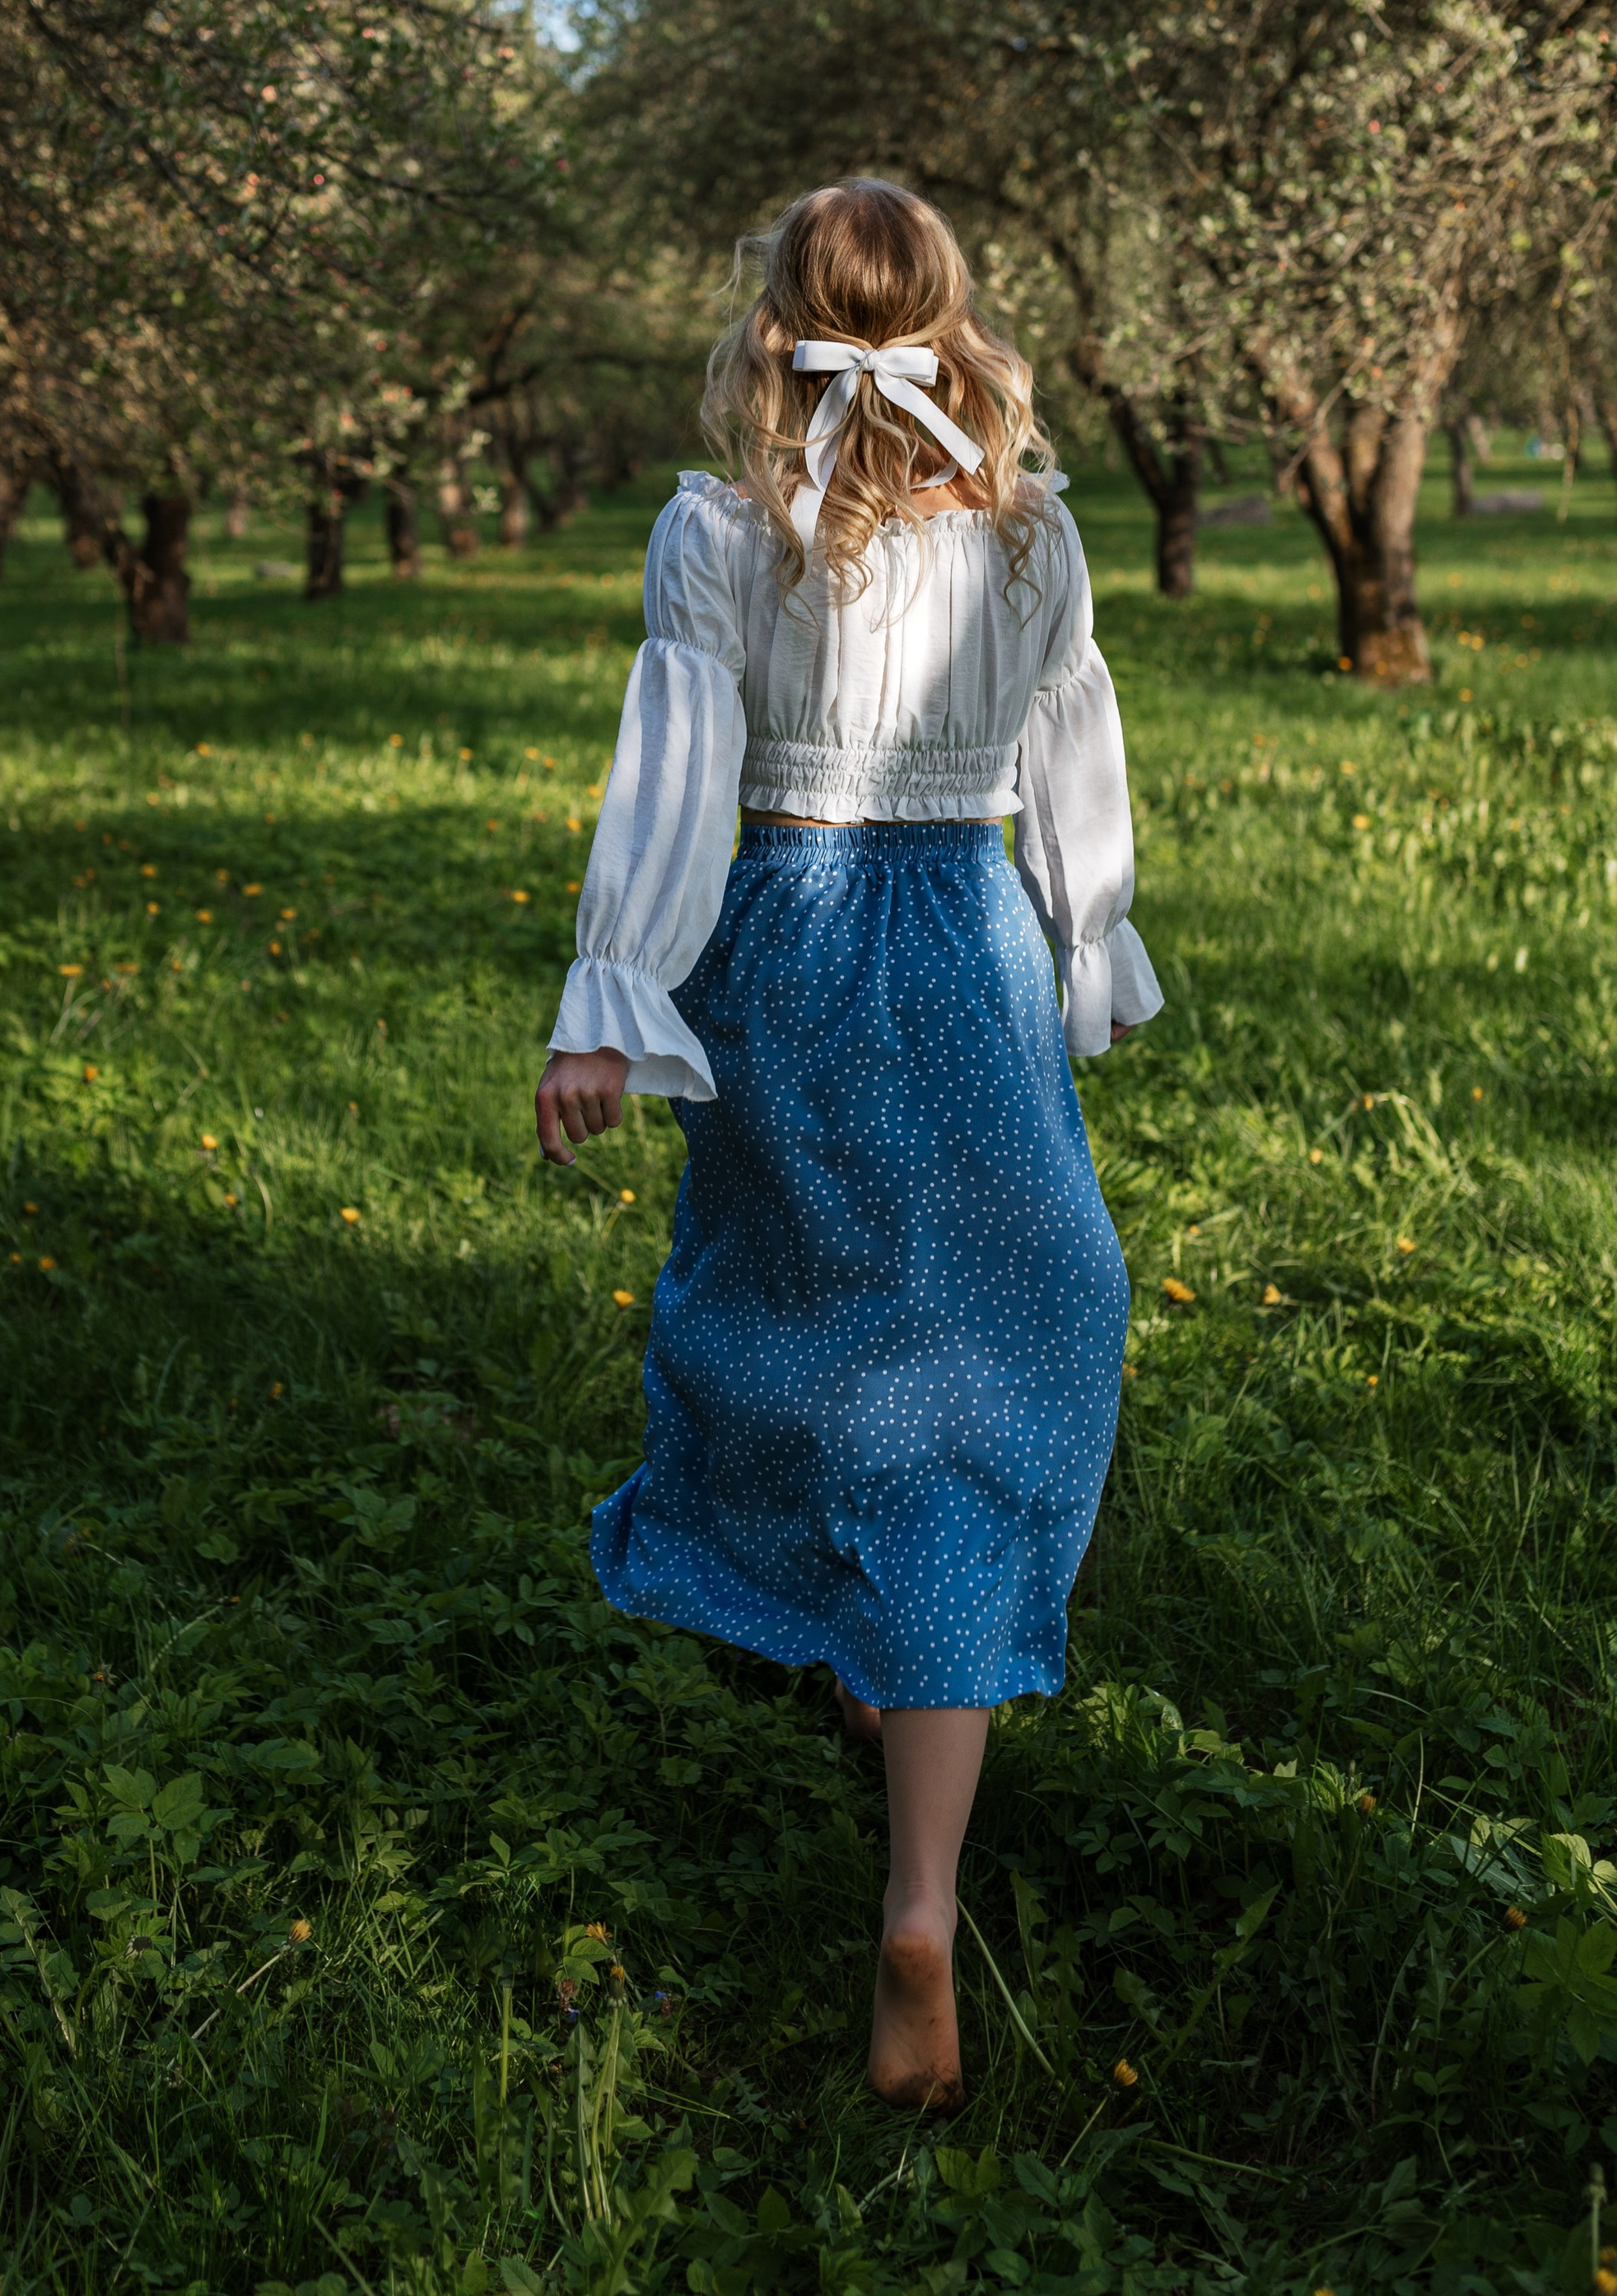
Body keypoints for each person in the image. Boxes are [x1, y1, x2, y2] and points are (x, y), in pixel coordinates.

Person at [534, 177, 1161, 2114]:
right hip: (959, 943)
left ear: (772, 326)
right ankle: (919, 1885)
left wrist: (607, 993)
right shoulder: (1030, 532)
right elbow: (1072, 754)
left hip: (786, 946)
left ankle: (865, 1646)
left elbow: (678, 762)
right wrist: (1088, 944)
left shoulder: (729, 533)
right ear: (950, 315)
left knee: (817, 1329)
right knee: (1002, 1338)